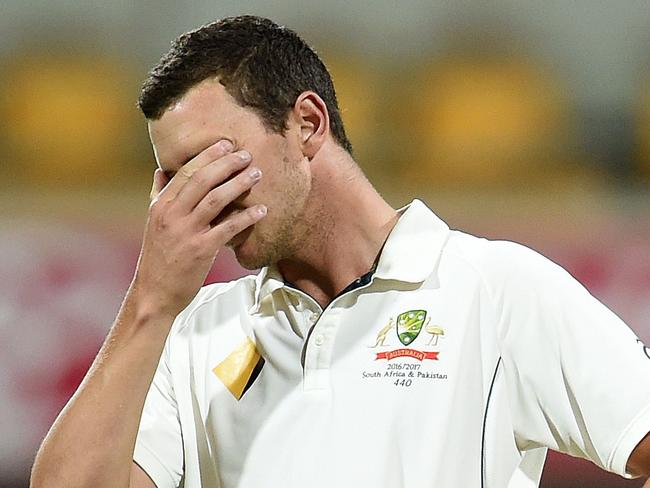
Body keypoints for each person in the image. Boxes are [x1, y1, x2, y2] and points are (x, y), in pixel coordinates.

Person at [31, 15, 650, 488]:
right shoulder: (192, 333)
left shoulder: (497, 290)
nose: (191, 201)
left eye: (210, 164)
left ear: (307, 123)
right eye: (171, 179)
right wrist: (151, 301)